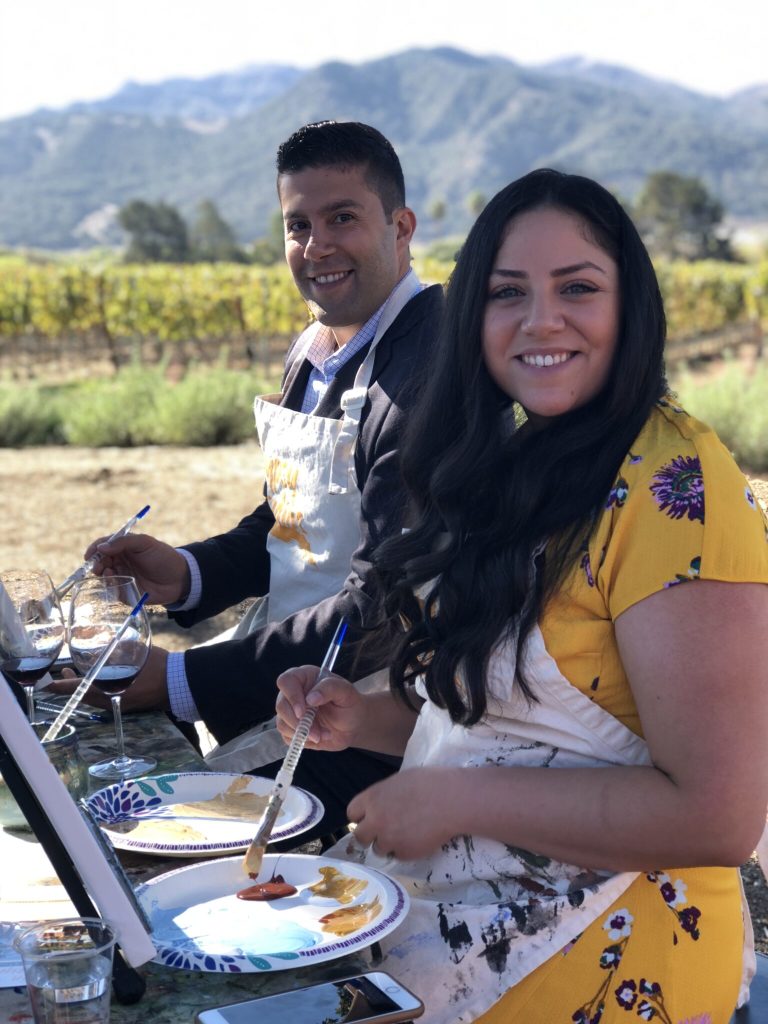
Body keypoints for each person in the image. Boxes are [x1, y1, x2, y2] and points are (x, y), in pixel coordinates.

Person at [274, 168, 768, 1022]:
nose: (541, 320)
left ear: (631, 306)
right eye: (508, 293)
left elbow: (717, 816)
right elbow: (502, 716)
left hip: (612, 958)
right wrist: (363, 715)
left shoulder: (674, 481)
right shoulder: (522, 460)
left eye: (578, 287)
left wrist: (452, 802)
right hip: (464, 933)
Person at [55, 121, 443, 833]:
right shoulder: (316, 347)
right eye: (298, 225)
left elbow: (383, 601)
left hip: (372, 722)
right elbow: (288, 521)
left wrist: (182, 678)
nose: (316, 246)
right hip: (290, 687)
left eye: (342, 218)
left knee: (150, 826)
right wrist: (185, 574)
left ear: (401, 227)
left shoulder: (431, 370)